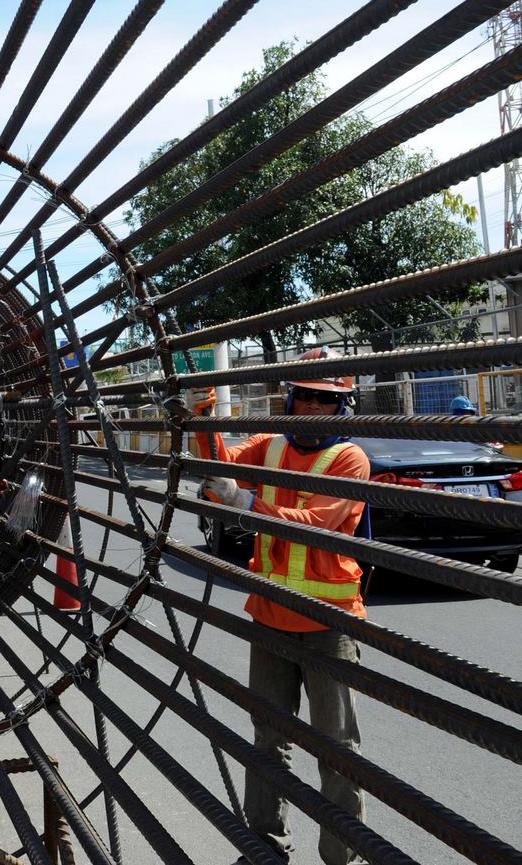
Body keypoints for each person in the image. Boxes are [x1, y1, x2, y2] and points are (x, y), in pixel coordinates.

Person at [191, 346, 370, 865]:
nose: (313, 408)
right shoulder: (270, 446)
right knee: (268, 739)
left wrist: (247, 502)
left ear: (342, 407)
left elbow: (319, 521)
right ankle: (265, 848)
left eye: (325, 399)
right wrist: (204, 419)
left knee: (336, 750)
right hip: (269, 617)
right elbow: (217, 469)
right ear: (290, 398)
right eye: (306, 396)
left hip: (326, 625)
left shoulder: (347, 458)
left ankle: (341, 857)